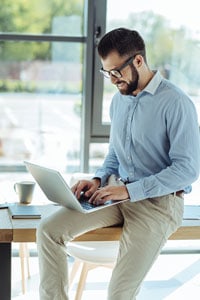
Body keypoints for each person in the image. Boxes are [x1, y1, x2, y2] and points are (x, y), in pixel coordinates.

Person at [37, 28, 200, 300]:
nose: (112, 80)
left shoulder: (176, 103)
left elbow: (187, 170)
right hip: (117, 196)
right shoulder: (119, 101)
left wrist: (129, 191)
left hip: (159, 206)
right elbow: (116, 153)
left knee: (119, 294)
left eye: (116, 72)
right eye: (107, 73)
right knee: (48, 231)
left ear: (138, 61)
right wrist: (99, 179)